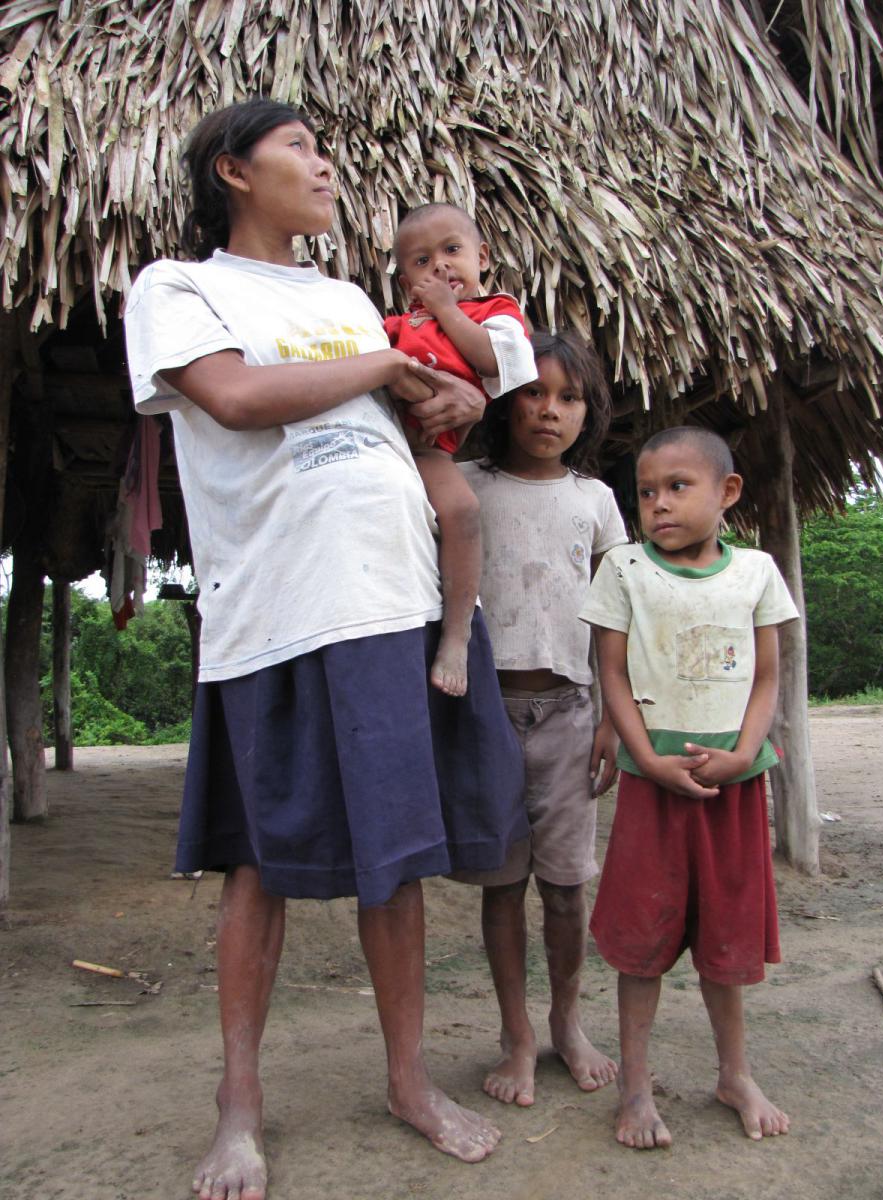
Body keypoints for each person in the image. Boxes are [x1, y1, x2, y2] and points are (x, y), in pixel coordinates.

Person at [124, 99, 529, 1200]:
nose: (324, 163)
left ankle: (408, 1081)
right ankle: (238, 1108)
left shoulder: (350, 298)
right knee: (258, 864)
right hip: (280, 611)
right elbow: (239, 397)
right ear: (232, 169)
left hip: (393, 599)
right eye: (298, 146)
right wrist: (385, 372)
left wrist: (438, 392)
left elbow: (404, 420)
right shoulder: (178, 287)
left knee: (393, 860)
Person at [580, 426, 797, 1149]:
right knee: (641, 941)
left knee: (727, 939)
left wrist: (745, 753)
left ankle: (733, 1073)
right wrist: (645, 756)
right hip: (652, 784)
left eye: (678, 487)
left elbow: (767, 676)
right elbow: (612, 673)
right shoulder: (624, 569)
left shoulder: (759, 572)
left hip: (732, 787)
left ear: (727, 492)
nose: (659, 505)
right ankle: (636, 1089)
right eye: (646, 493)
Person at [454, 330, 627, 1107]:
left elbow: (616, 623)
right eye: (534, 392)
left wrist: (615, 721)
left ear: (588, 412)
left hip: (571, 711)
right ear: (504, 398)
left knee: (564, 887)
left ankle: (566, 1020)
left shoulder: (595, 501)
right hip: (485, 712)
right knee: (501, 885)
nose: (549, 411)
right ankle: (515, 1033)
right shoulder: (463, 485)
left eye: (568, 398)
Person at [384, 203, 537, 697]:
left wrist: (447, 310)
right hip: (383, 444)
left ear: (482, 257)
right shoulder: (399, 323)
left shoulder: (498, 312)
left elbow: (498, 361)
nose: (441, 267)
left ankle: (457, 632)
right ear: (406, 278)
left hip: (429, 451)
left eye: (452, 251)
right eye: (422, 261)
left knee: (463, 512)